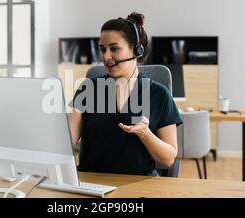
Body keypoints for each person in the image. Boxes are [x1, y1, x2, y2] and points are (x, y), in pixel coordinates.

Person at [68, 12, 182, 176]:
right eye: (102, 49)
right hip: (91, 184)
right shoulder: (88, 90)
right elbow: (65, 143)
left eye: (114, 48)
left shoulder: (159, 95)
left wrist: (145, 133)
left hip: (137, 185)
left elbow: (168, 159)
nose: (106, 57)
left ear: (137, 51)